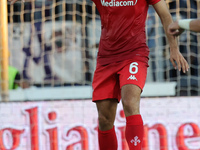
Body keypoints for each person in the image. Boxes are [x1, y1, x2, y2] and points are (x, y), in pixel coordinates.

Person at [8, 0, 189, 149]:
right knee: (104, 119)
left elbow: (166, 17)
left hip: (134, 55)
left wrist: (174, 49)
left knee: (129, 101)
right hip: (106, 59)